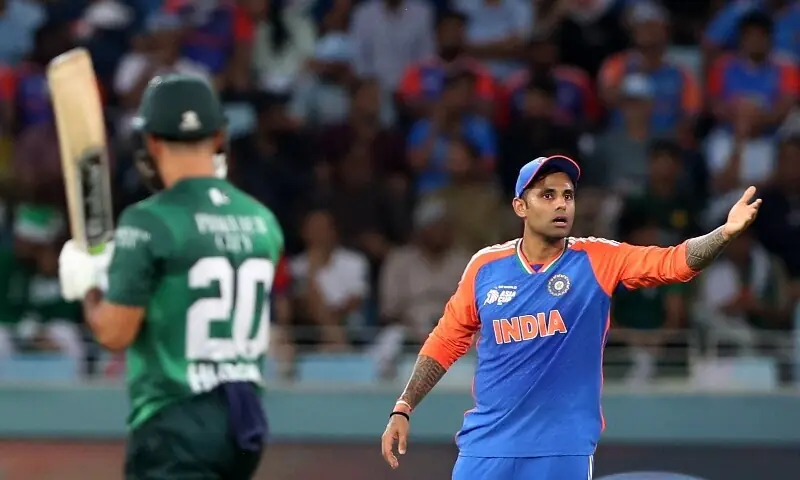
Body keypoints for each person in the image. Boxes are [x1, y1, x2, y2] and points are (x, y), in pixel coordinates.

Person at [380, 155, 762, 479]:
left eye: (567, 196)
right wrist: (404, 406)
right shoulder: (485, 266)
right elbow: (446, 340)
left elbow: (673, 262)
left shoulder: (597, 259)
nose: (562, 204)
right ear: (520, 207)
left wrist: (724, 234)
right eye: (547, 195)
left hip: (561, 448)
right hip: (485, 447)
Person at [57, 74, 284, 479]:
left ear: (153, 142)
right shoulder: (262, 220)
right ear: (218, 137)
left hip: (175, 415)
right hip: (245, 417)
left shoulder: (149, 220)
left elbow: (114, 333)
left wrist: (88, 286)